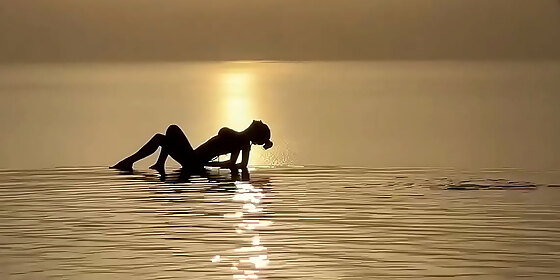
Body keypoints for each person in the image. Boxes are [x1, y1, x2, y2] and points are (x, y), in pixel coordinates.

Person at [110, 120, 273, 176]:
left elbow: (237, 165)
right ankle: (156, 163)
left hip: (194, 161)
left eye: (258, 124)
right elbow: (234, 164)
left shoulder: (242, 144)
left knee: (168, 132)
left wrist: (208, 166)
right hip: (193, 157)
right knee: (166, 135)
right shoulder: (240, 138)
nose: (255, 121)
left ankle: (131, 162)